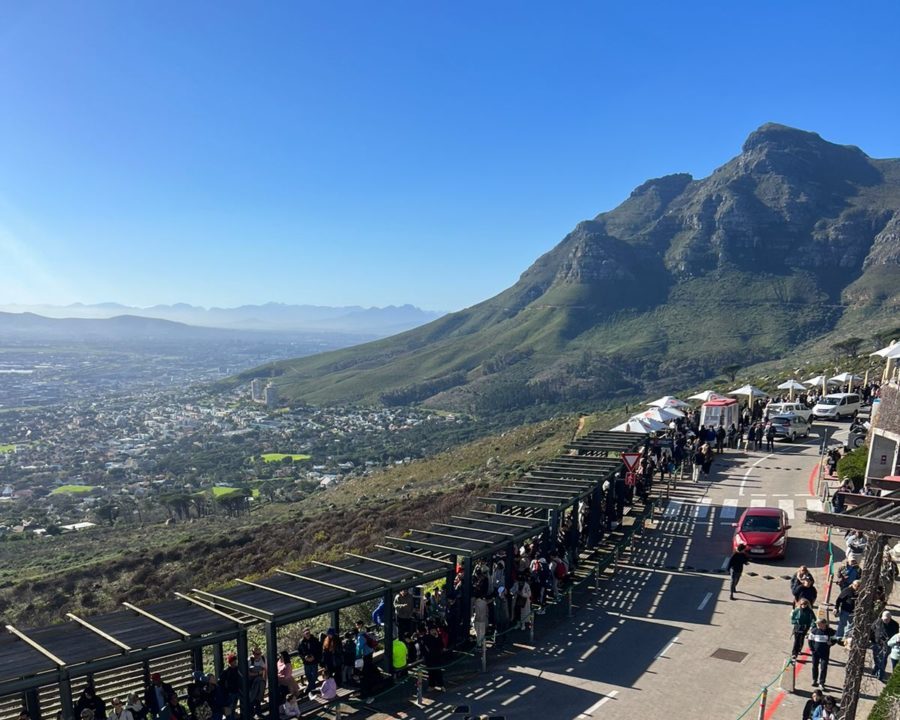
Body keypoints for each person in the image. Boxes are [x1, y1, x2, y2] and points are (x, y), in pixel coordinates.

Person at [808, 618, 838, 688]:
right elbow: (810, 640)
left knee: (823, 668)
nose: (817, 625)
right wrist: (812, 649)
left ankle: (822, 682)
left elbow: (835, 639)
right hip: (815, 653)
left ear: (824, 624)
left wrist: (831, 643)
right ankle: (814, 680)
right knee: (814, 666)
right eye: (817, 624)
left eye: (819, 624)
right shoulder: (814, 631)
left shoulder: (830, 631)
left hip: (825, 653)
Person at [870, 611, 900, 681]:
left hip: (887, 645)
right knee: (876, 658)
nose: (885, 620)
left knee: (883, 659)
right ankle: (876, 669)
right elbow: (871, 631)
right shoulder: (877, 622)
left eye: (887, 619)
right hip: (876, 644)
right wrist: (872, 641)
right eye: (884, 619)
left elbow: (895, 635)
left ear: (890, 618)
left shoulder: (895, 625)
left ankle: (880, 675)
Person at [297, 628, 322, 694]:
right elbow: (299, 652)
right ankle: (312, 688)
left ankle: (310, 688)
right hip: (306, 662)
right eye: (306, 634)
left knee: (314, 675)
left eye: (308, 633)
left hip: (314, 661)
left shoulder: (315, 640)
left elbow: (319, 650)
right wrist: (304, 657)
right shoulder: (301, 642)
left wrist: (314, 657)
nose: (307, 635)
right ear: (303, 634)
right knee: (308, 675)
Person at [422, 625, 444, 692]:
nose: (433, 632)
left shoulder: (438, 636)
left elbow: (442, 645)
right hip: (429, 658)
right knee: (431, 672)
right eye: (431, 630)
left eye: (434, 630)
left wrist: (437, 637)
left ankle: (441, 685)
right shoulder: (426, 637)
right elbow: (423, 647)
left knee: (438, 672)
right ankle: (431, 685)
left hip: (437, 657)